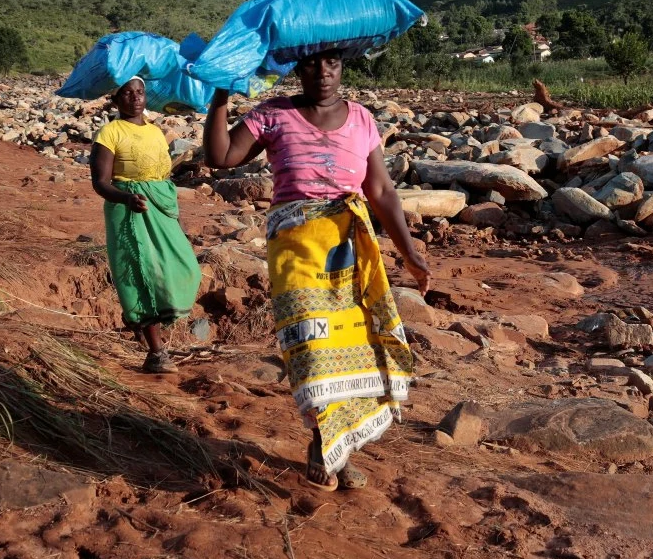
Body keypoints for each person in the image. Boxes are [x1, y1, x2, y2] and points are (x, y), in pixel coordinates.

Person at [203, 49, 430, 492]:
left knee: (359, 344)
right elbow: (222, 157)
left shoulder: (362, 119)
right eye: (311, 64)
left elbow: (380, 189)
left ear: (343, 67)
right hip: (296, 249)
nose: (322, 73)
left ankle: (339, 449)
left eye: (332, 63)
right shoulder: (273, 114)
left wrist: (408, 251)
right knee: (312, 347)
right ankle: (323, 439)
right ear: (296, 69)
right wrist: (219, 99)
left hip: (348, 247)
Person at [90, 77, 201, 374]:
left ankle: (146, 328)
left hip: (161, 207)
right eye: (126, 93)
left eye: (139, 92)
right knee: (141, 273)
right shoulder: (110, 133)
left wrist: (173, 212)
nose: (135, 98)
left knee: (187, 267)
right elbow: (100, 182)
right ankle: (156, 352)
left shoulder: (154, 131)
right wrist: (126, 198)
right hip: (129, 209)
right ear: (116, 99)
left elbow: (162, 174)